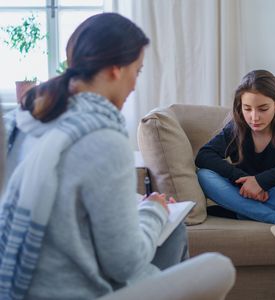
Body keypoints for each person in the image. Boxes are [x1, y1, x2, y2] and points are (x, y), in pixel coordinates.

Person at [0, 13, 188, 300]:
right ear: (116, 69)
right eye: (136, 72)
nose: (135, 85)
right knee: (188, 242)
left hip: (14, 284)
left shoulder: (22, 121)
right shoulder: (105, 139)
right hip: (72, 292)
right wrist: (155, 210)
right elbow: (125, 263)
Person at [195, 70, 275, 224]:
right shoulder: (236, 128)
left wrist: (260, 182)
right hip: (242, 192)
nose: (254, 117)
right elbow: (204, 155)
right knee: (204, 175)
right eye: (247, 109)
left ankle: (240, 211)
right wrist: (243, 181)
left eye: (263, 109)